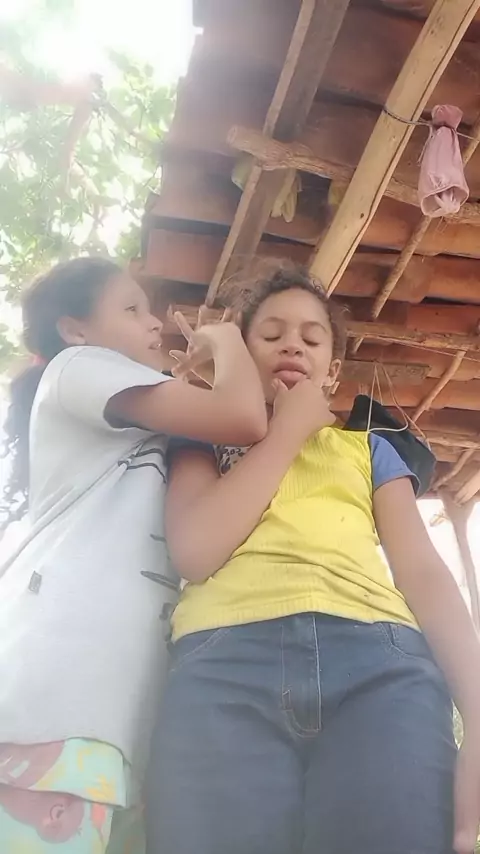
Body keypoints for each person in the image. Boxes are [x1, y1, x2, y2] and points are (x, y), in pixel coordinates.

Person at [147, 260, 480, 854]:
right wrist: (286, 429)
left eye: (311, 337)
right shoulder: (204, 438)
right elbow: (195, 552)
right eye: (270, 334)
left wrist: (476, 711)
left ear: (333, 370)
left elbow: (423, 573)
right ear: (242, 356)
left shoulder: (368, 449)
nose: (292, 345)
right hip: (224, 666)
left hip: (382, 668)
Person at [0, 256, 267, 854]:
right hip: (58, 707)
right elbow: (243, 417)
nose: (155, 324)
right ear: (75, 330)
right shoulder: (77, 367)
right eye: (131, 309)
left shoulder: (140, 423)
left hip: (109, 725)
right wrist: (225, 339)